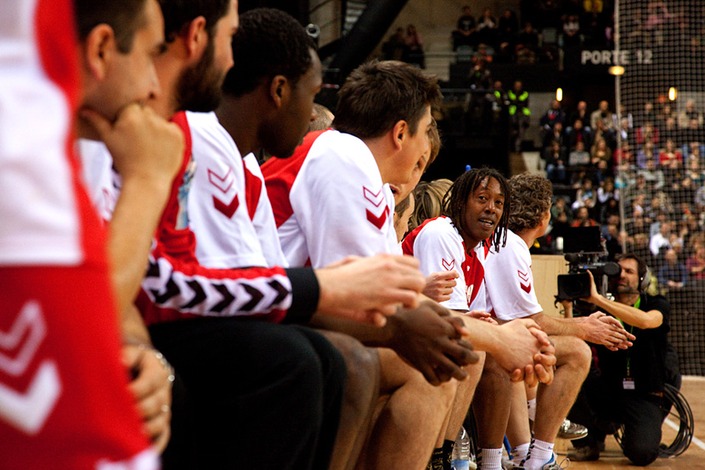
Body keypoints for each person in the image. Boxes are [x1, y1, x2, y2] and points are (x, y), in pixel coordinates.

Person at [78, 2, 431, 468]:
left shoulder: (207, 147)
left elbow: (151, 278)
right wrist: (324, 288)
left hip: (141, 324)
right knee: (300, 362)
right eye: (149, 52)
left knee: (322, 359)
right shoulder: (173, 134)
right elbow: (148, 284)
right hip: (98, 345)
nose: (230, 61)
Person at [263, 62, 556, 469]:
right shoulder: (343, 155)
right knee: (430, 367)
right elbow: (371, 306)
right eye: (425, 132)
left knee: (436, 353)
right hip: (264, 321)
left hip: (284, 316)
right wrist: (501, 341)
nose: (425, 152)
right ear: (401, 133)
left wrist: (498, 337)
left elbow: (386, 299)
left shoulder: (361, 175)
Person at [0, 0, 164, 468]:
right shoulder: (22, 145)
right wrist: (149, 181)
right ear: (101, 49)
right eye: (151, 54)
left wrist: (143, 356)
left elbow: (96, 301)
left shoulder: (80, 140)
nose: (154, 87)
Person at [401, 169, 558, 469]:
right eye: (482, 199)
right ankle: (443, 456)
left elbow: (472, 317)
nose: (492, 208)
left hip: (421, 327)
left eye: (499, 203)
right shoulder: (441, 233)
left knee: (493, 353)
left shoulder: (478, 251)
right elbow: (456, 320)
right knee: (476, 351)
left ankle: (491, 460)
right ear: (460, 203)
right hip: (399, 328)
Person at [481, 173, 633, 470]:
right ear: (544, 217)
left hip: (492, 337)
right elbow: (530, 320)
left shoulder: (504, 242)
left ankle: (525, 450)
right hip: (489, 341)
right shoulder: (511, 246)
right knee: (577, 351)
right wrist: (585, 327)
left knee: (524, 352)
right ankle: (540, 454)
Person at [567, 254, 674, 466]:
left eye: (629, 272)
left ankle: (638, 431)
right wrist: (569, 306)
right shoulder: (601, 309)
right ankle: (589, 441)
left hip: (644, 394)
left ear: (642, 279)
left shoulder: (656, 304)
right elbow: (572, 338)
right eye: (619, 270)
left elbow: (645, 321)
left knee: (641, 454)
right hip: (609, 390)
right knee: (570, 372)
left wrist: (599, 299)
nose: (622, 276)